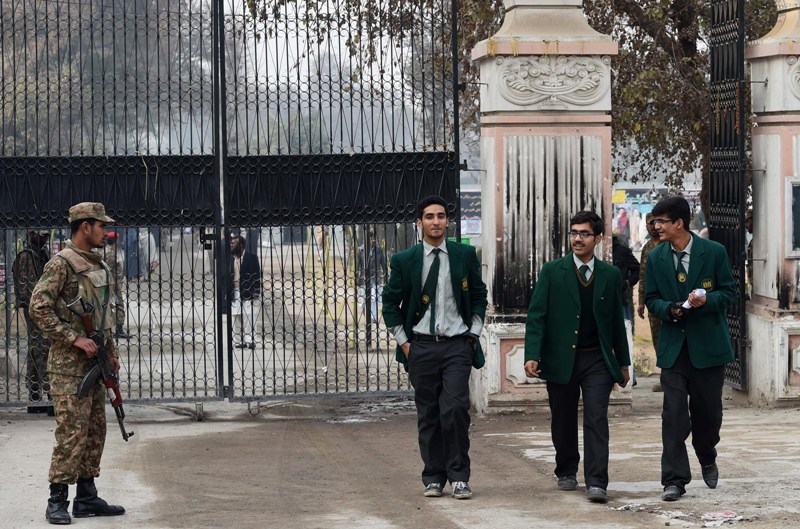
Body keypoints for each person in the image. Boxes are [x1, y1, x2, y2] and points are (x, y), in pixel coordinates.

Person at [382, 195, 488, 500]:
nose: (436, 222)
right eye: (429, 217)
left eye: (441, 216)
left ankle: (459, 476)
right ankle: (433, 476)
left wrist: (473, 335)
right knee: (428, 413)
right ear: (420, 223)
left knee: (454, 409)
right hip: (421, 347)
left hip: (457, 345)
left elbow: (479, 295)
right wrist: (404, 343)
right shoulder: (405, 260)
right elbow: (389, 303)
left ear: (448, 221)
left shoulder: (464, 255)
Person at [524, 210, 631, 504]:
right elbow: (537, 316)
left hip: (596, 359)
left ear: (597, 239)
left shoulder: (610, 275)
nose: (577, 239)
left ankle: (597, 481)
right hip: (561, 359)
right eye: (573, 233)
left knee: (597, 417)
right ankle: (567, 469)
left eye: (584, 234)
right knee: (563, 418)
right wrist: (532, 354)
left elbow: (615, 324)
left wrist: (623, 363)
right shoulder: (552, 271)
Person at [29, 202, 126, 524]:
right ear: (85, 226)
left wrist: (109, 352)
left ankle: (86, 496)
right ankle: (57, 499)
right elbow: (38, 306)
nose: (105, 232)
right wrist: (73, 338)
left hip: (95, 364)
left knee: (95, 430)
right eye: (101, 226)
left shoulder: (98, 264)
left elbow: (102, 316)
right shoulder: (61, 264)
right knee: (71, 431)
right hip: (69, 368)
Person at [644, 196, 735, 502]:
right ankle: (674, 479)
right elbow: (650, 298)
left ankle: (707, 455)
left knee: (708, 414)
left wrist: (707, 300)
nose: (656, 227)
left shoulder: (714, 252)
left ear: (679, 224)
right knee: (673, 415)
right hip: (674, 348)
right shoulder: (655, 258)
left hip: (708, 347)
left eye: (661, 222)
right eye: (655, 222)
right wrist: (669, 309)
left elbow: (729, 294)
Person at [12, 229, 53, 412]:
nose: (44, 238)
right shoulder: (27, 256)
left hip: (43, 308)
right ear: (30, 234)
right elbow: (26, 288)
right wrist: (41, 310)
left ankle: (35, 394)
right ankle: (48, 393)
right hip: (36, 310)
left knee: (37, 349)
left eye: (46, 235)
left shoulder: (41, 254)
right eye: (40, 235)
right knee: (42, 349)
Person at [637, 213, 666, 392]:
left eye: (655, 223)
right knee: (657, 339)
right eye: (649, 223)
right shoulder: (647, 247)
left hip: (669, 300)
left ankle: (673, 377)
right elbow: (642, 274)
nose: (652, 227)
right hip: (652, 302)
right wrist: (641, 301)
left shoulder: (668, 244)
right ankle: (665, 376)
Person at [230, 235, 262, 349]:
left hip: (248, 292)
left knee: (249, 316)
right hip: (235, 292)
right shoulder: (231, 258)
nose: (232, 245)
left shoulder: (251, 257)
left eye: (234, 243)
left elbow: (257, 275)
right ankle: (238, 341)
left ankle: (250, 340)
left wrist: (256, 291)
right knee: (236, 317)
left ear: (241, 245)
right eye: (231, 243)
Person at [103, 232, 131, 339]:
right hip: (113, 285)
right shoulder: (110, 253)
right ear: (115, 241)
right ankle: (119, 329)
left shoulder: (109, 251)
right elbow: (109, 270)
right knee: (119, 306)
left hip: (113, 284)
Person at [357, 230, 387, 322]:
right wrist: (357, 277)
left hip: (377, 276)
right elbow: (358, 266)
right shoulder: (360, 250)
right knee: (368, 297)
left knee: (377, 297)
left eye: (374, 238)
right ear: (367, 239)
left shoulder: (379, 249)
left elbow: (383, 263)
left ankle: (373, 316)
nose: (373, 240)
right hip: (365, 278)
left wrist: (386, 276)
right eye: (371, 238)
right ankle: (364, 306)